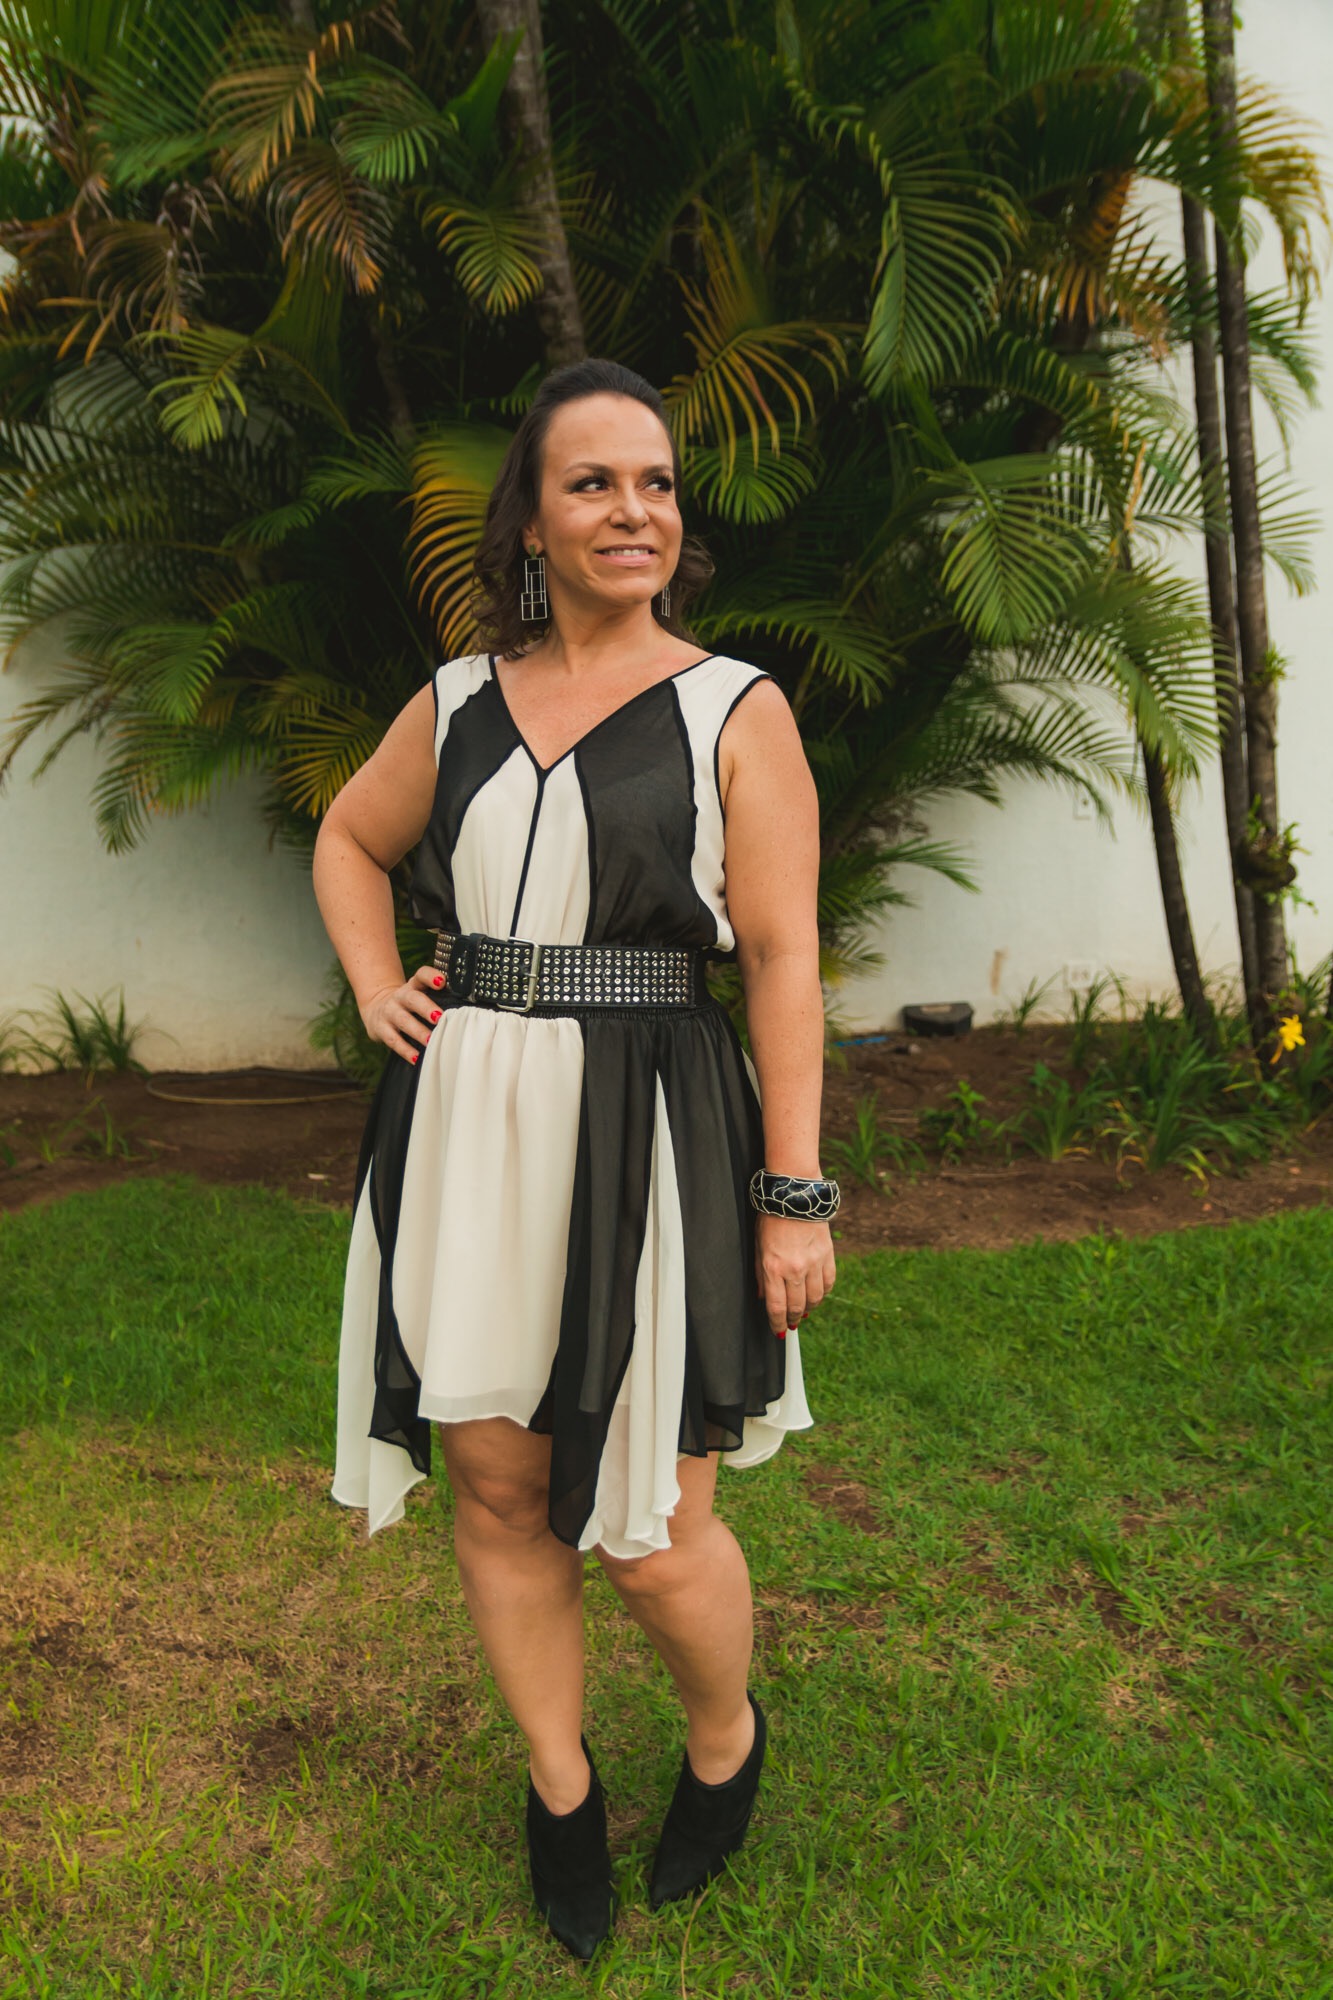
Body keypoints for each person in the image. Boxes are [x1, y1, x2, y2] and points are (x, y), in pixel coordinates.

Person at [312, 356, 839, 1962]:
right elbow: (350, 839)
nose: (633, 509)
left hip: (651, 1126)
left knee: (651, 1530)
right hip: (467, 1120)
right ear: (531, 523)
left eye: (656, 482)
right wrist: (374, 984)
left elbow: (782, 960)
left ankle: (724, 1740)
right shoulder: (455, 701)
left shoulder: (733, 707)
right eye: (593, 482)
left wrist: (793, 1195)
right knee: (495, 1484)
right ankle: (559, 1787)